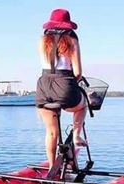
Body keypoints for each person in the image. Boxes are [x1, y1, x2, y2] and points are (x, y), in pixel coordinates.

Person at [35, 8, 88, 169]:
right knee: (84, 104)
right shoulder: (72, 40)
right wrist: (73, 82)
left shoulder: (42, 41)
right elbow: (78, 72)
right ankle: (76, 136)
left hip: (43, 87)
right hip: (64, 85)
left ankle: (52, 167)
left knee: (51, 132)